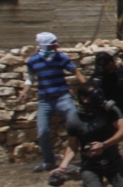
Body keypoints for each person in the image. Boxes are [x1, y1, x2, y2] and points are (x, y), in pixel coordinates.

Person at [16, 32, 87, 173]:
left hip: (63, 97)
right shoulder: (33, 61)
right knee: (42, 132)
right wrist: (24, 91)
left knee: (78, 124)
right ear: (45, 46)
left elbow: (75, 71)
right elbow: (30, 78)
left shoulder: (61, 57)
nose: (56, 46)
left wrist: (87, 88)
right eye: (53, 45)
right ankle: (48, 162)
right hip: (45, 101)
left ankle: (85, 159)